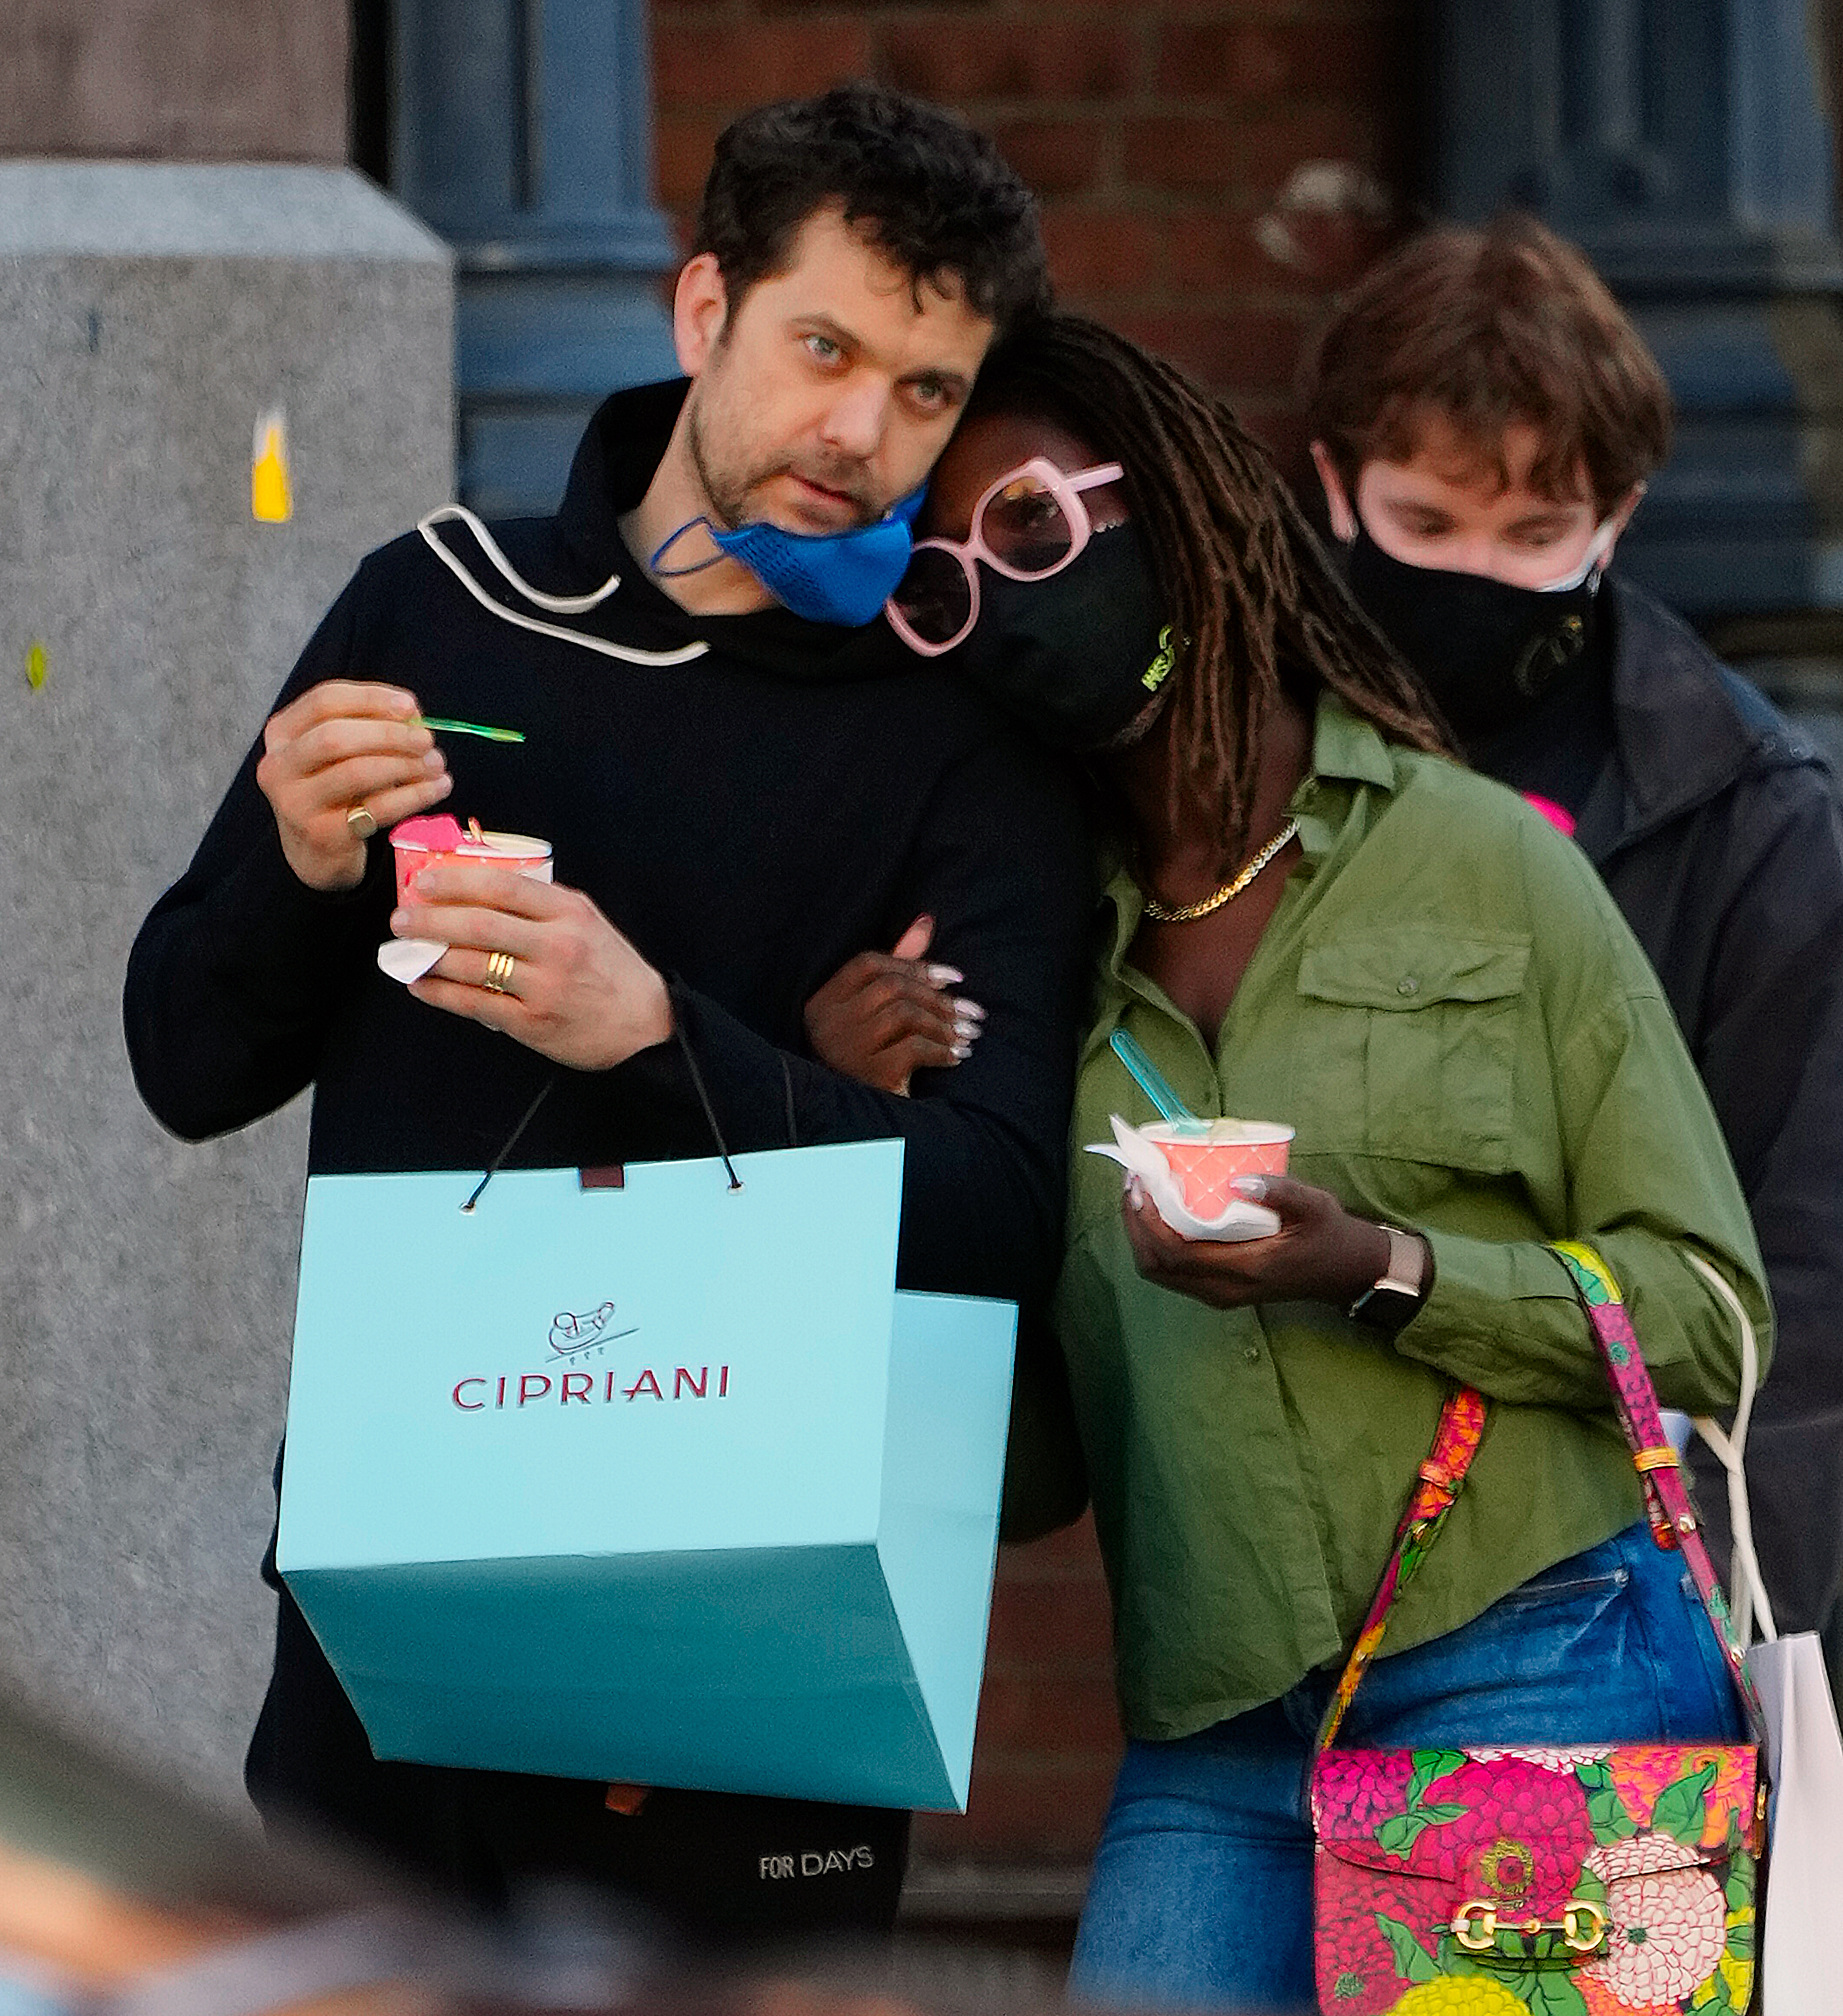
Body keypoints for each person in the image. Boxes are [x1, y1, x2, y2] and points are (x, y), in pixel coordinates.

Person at [122, 83, 1093, 1942]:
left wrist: (659, 1038)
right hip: (392, 1594)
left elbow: (1000, 1217)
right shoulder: (441, 605)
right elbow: (185, 1062)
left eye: (926, 391)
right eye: (827, 348)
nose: (862, 436)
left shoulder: (968, 746)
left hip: (760, 1630)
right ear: (704, 311)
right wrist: (296, 862)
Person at [853, 311, 1770, 2013]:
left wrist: (1382, 1268)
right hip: (1212, 1736)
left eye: (1034, 530)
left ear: (1183, 513)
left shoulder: (1483, 861)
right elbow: (1041, 1473)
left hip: (1534, 1661)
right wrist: (857, 1138)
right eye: (940, 588)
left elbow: (1708, 1313)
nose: (998, 602)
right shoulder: (1025, 966)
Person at [1304, 215, 1843, 1664]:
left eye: (1537, 537)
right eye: (1425, 526)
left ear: (1619, 517)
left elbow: (1796, 1287)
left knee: (1610, 1910)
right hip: (1292, 1584)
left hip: (1611, 1589)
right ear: (1333, 486)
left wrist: (1724, 1625)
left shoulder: (1746, 812)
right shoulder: (1237, 760)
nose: (1477, 572)